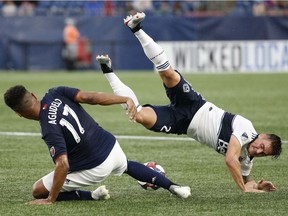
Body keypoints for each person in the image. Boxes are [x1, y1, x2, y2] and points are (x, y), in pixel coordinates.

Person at [96, 11, 282, 193]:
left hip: (181, 124)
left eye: (263, 154)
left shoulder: (247, 160)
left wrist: (256, 185)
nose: (259, 151)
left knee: (138, 116)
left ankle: (108, 70)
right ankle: (136, 29)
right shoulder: (247, 130)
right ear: (262, 135)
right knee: (168, 74)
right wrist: (244, 189)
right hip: (195, 105)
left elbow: (246, 179)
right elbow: (230, 160)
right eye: (262, 146)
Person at [3, 85, 191, 205]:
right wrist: (124, 99)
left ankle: (91, 195)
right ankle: (174, 187)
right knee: (125, 165)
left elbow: (63, 165)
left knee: (38, 190)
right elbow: (91, 97)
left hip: (95, 168)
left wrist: (50, 199)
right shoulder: (55, 92)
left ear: (19, 113)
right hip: (111, 145)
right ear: (34, 95)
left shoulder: (47, 128)